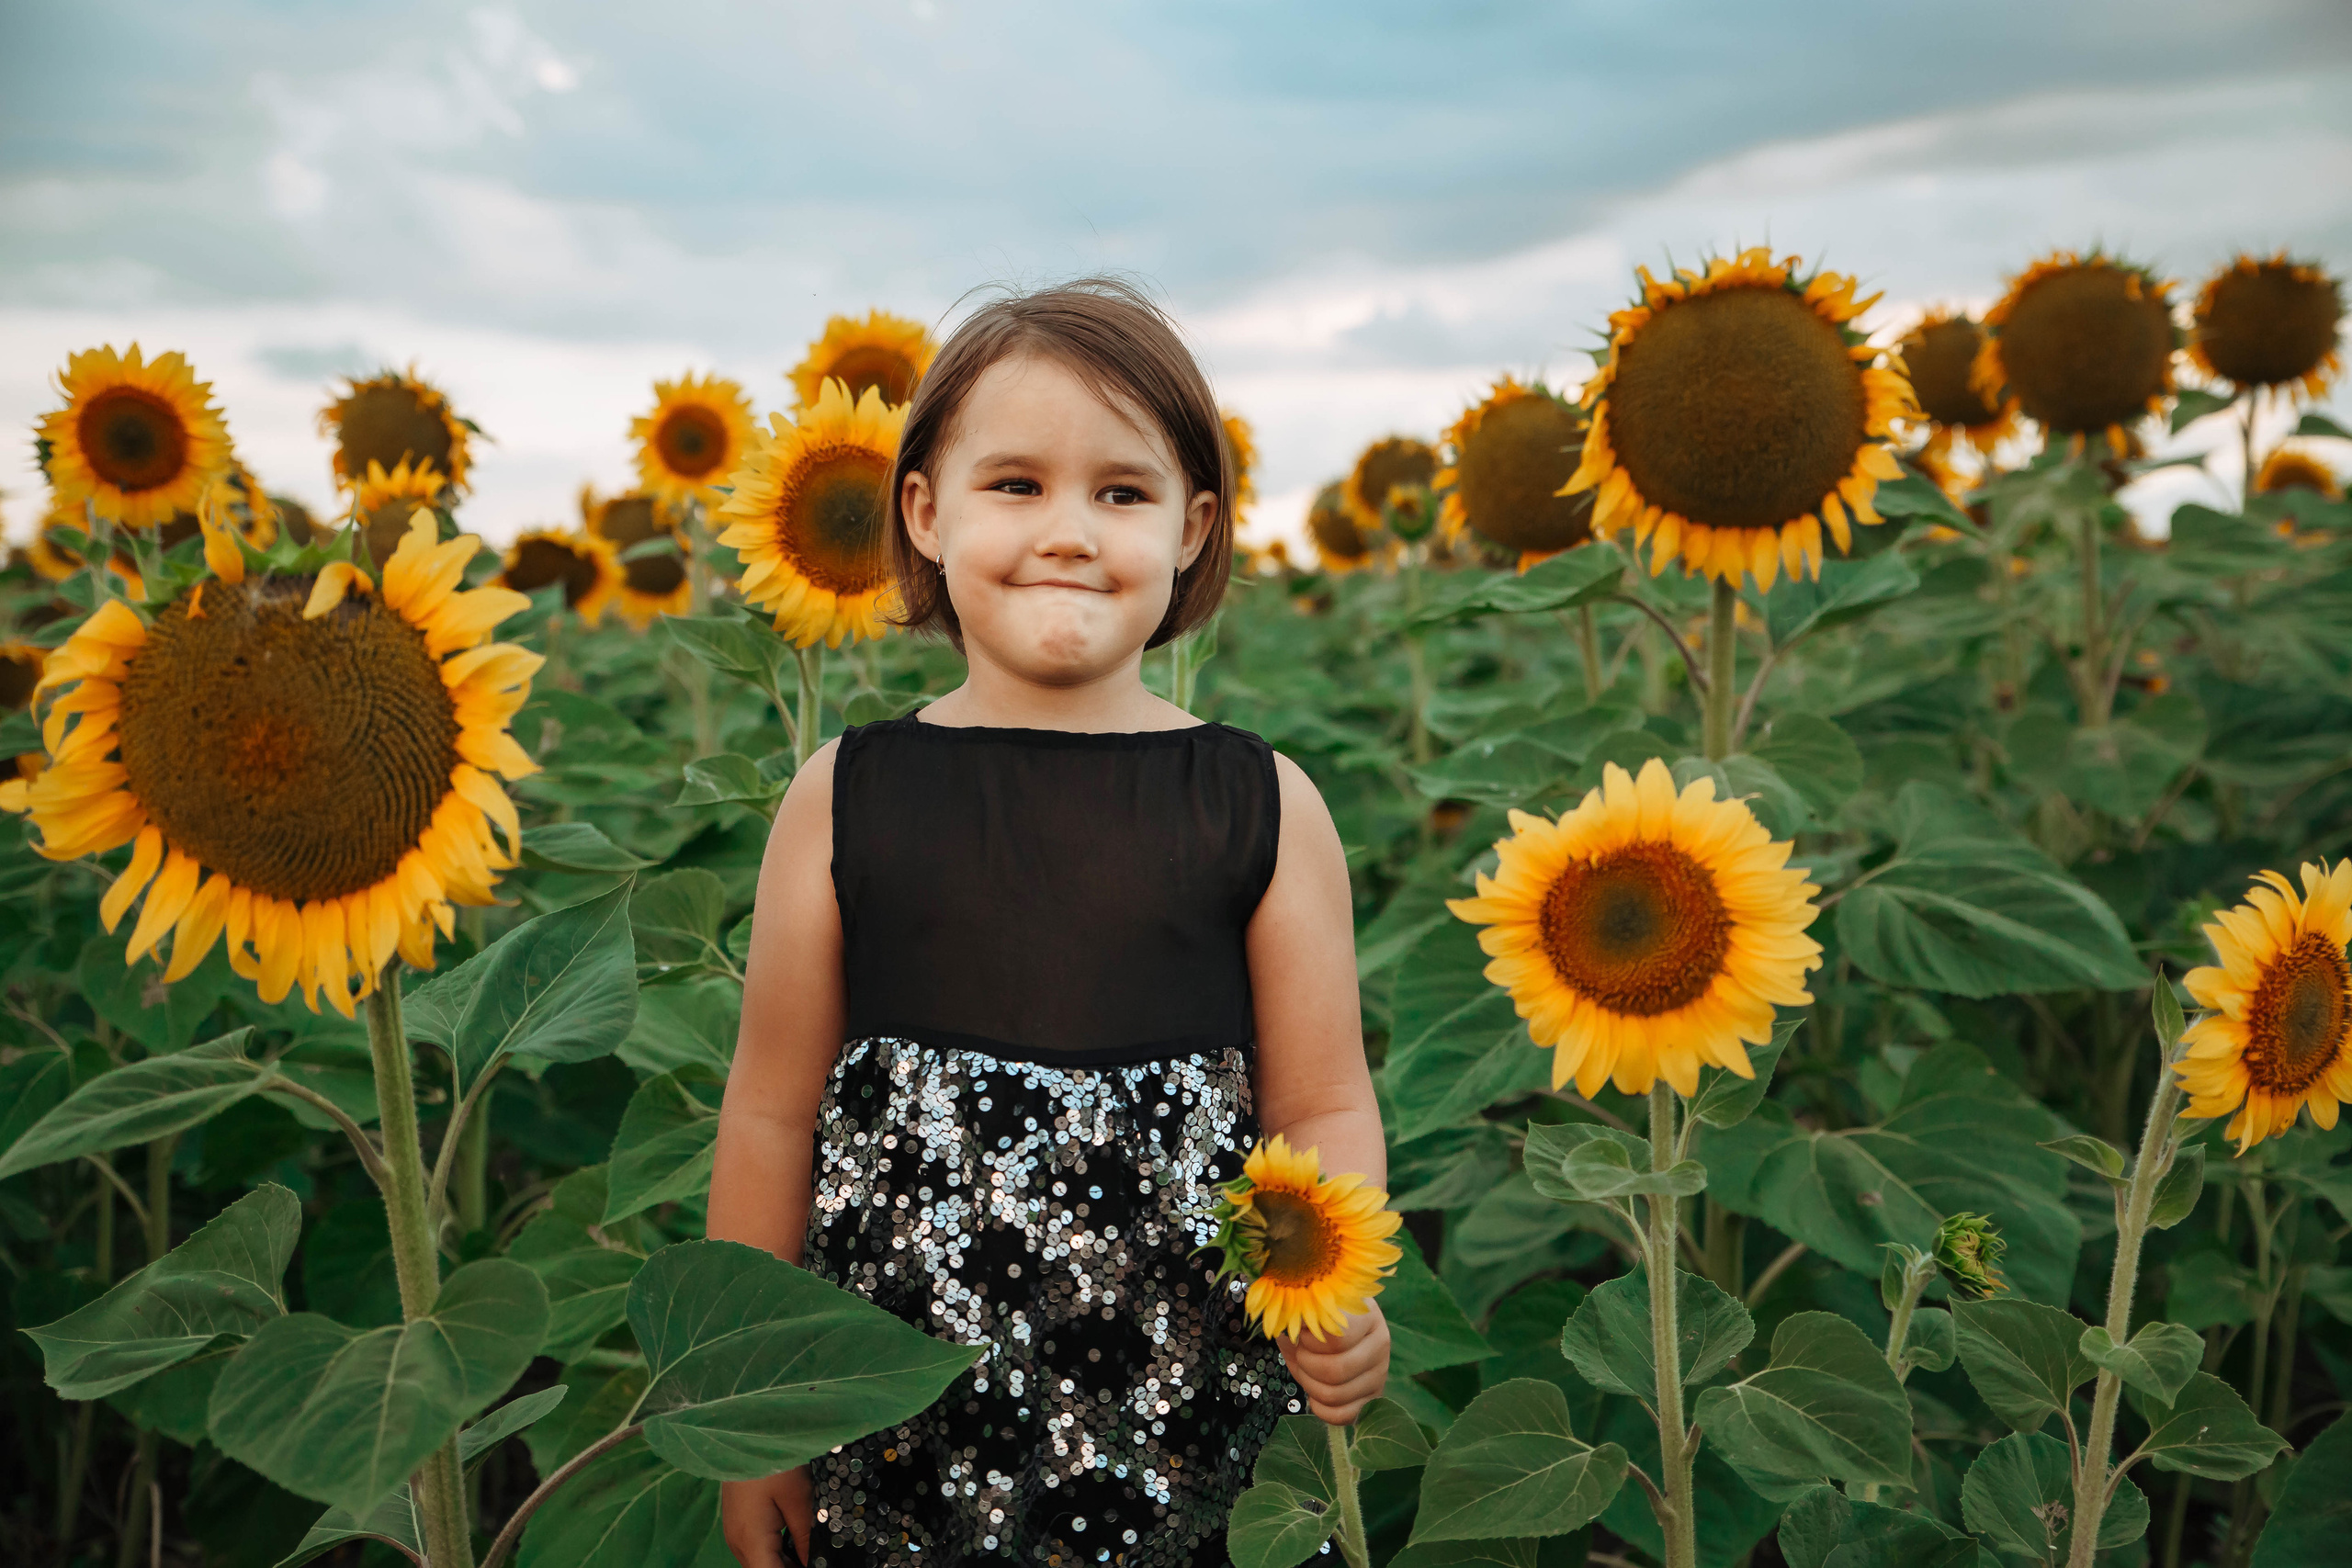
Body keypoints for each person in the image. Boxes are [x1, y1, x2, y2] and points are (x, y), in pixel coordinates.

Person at [709, 277, 1389, 1568]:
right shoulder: (842, 798)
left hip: (1187, 1407)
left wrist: (1334, 1291)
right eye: (1016, 484)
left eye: (1121, 493)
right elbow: (770, 1117)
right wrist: (750, 1416)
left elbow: (1321, 1103)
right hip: (898, 1415)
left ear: (1193, 528)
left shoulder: (1262, 804)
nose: (1068, 532)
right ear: (926, 511)